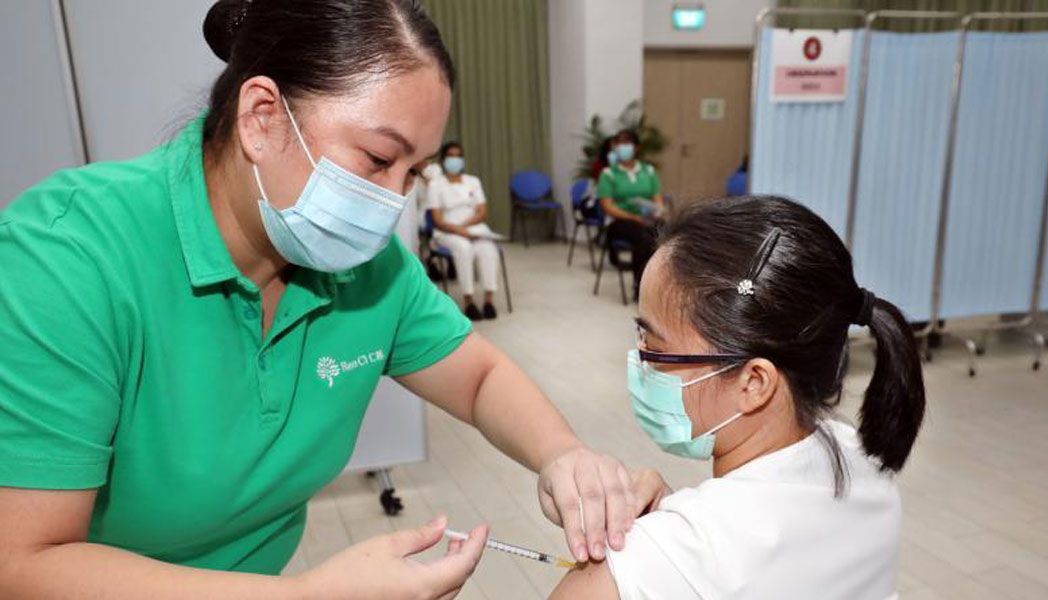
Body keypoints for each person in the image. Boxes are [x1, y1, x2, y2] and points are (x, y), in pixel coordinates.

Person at [0, 2, 640, 598]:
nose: (393, 201)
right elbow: (23, 562)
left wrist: (563, 455)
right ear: (262, 118)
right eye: (377, 158)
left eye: (411, 172)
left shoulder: (364, 269)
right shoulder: (67, 260)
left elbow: (477, 377)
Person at [551, 196, 926, 599]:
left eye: (652, 345)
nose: (639, 360)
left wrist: (665, 541)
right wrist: (676, 519)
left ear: (754, 383)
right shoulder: (864, 459)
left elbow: (715, 558)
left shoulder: (655, 563)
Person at [427, 142, 501, 320]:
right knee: (464, 249)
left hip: (474, 227)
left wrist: (467, 226)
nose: (455, 159)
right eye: (451, 156)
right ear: (444, 160)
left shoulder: (473, 181)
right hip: (448, 230)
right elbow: (437, 219)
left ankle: (489, 301)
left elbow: (482, 211)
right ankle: (468, 301)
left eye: (458, 156)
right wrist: (458, 230)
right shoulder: (435, 185)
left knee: (488, 250)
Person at [595, 129, 664, 300]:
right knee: (644, 236)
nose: (623, 147)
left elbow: (657, 199)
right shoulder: (608, 174)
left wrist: (657, 210)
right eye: (619, 143)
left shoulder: (648, 171)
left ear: (636, 148)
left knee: (667, 232)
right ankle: (640, 284)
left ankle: (661, 283)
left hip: (647, 218)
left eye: (627, 143)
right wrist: (633, 217)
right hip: (621, 221)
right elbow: (607, 206)